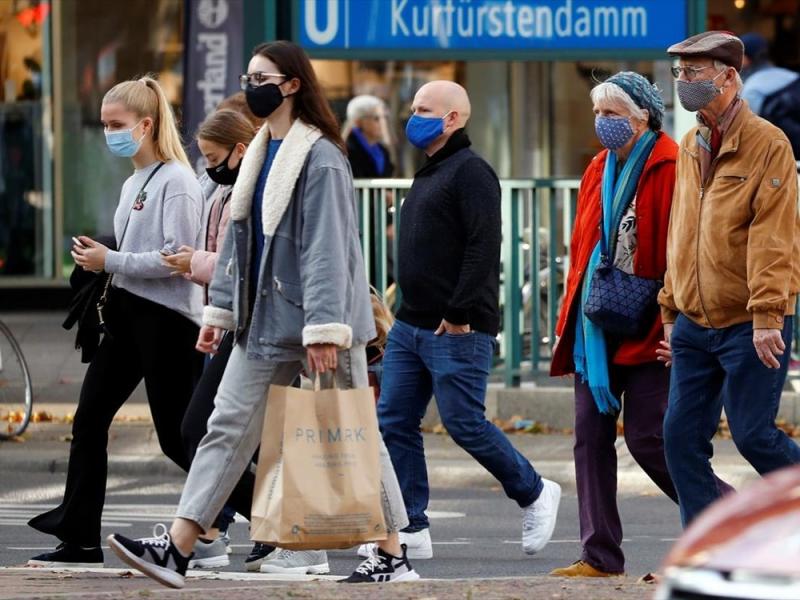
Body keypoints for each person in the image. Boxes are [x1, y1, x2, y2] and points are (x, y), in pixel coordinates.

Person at [105, 40, 418, 587]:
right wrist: (219, 312)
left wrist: (323, 329)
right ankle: (179, 548)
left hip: (326, 321)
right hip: (266, 318)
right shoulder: (260, 150)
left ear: (293, 84)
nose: (252, 85)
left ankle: (393, 554)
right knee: (223, 426)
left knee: (354, 431)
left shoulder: (319, 156)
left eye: (262, 77)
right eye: (248, 76)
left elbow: (326, 248)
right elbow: (237, 247)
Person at [371, 80, 561, 562]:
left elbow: (483, 246)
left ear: (453, 118)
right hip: (410, 326)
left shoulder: (472, 171)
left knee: (463, 423)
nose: (412, 116)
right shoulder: (431, 171)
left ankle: (535, 492)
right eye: (413, 108)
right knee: (394, 420)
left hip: (455, 328)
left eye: (424, 109)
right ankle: (410, 524)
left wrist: (457, 313)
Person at [27, 76, 205, 567]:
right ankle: (80, 537)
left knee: (177, 437)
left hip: (167, 321)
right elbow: (133, 257)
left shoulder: (178, 182)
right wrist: (101, 260)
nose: (109, 133)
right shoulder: (133, 183)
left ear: (146, 125)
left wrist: (112, 261)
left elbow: (178, 260)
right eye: (105, 124)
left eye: (117, 124)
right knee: (88, 420)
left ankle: (267, 516)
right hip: (127, 315)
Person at [659, 31, 800, 527]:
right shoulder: (691, 142)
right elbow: (682, 229)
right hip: (696, 319)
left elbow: (774, 236)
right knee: (678, 438)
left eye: (694, 73)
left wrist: (768, 316)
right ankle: (706, 551)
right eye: (680, 73)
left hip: (750, 320)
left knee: (754, 434)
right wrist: (671, 308)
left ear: (729, 77)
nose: (684, 82)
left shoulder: (768, 143)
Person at [548, 72, 682, 578]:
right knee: (589, 438)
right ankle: (599, 555)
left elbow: (681, 249)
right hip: (596, 327)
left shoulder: (671, 164)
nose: (602, 123)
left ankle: (732, 525)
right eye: (598, 113)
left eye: (613, 114)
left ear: (642, 116)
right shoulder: (597, 168)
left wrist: (678, 319)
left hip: (653, 324)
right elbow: (582, 249)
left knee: (651, 439)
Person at [161, 108, 257, 570]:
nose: (209, 167)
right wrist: (213, 318)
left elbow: (240, 266)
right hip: (226, 322)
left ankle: (230, 529)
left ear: (241, 150)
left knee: (201, 431)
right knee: (214, 433)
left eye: (215, 157)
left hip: (255, 327)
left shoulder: (252, 192)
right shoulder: (223, 187)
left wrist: (194, 262)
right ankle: (207, 533)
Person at [739, 32, 800, 159]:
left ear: (747, 58)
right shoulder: (792, 76)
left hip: (783, 158)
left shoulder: (752, 89)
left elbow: (750, 135)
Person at [343, 94, 394, 178]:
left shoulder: (383, 150)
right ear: (358, 121)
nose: (382, 123)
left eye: (384, 117)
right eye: (376, 118)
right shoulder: (346, 151)